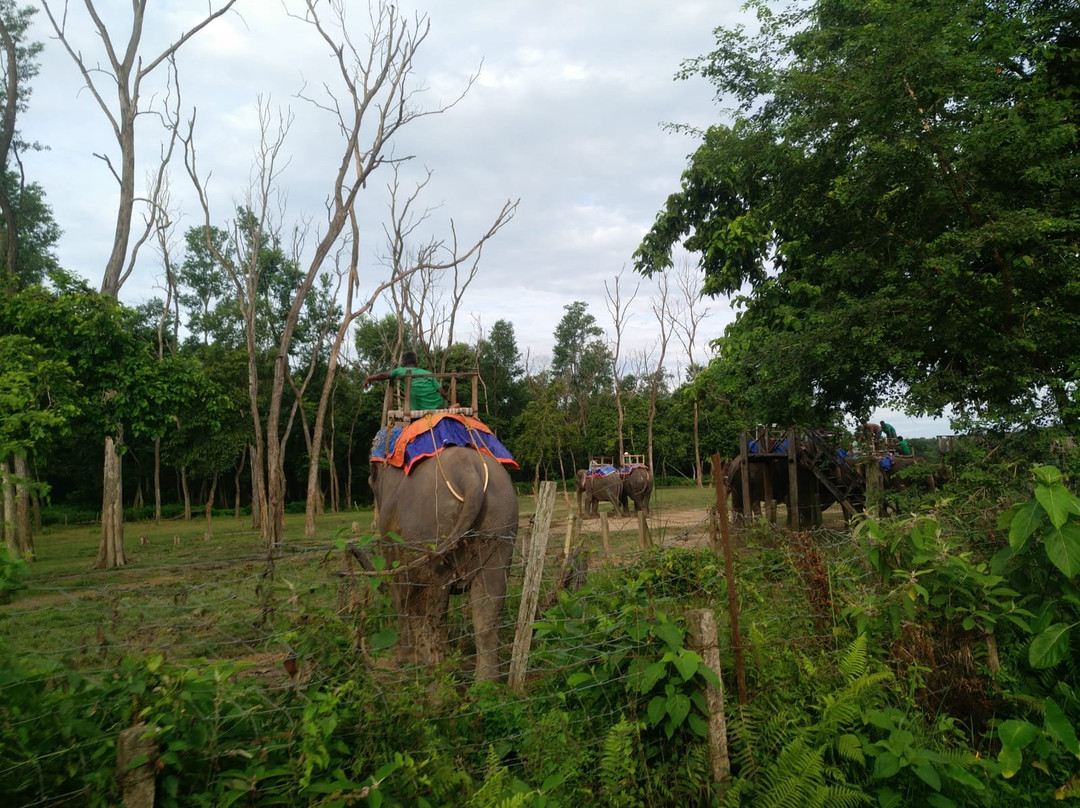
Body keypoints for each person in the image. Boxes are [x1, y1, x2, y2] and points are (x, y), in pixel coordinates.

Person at [364, 351, 445, 412]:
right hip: (438, 405)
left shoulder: (401, 371)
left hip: (418, 409)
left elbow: (383, 375)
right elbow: (442, 392)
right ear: (416, 363)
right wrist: (446, 399)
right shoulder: (427, 373)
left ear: (403, 363)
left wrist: (369, 378)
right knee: (445, 404)